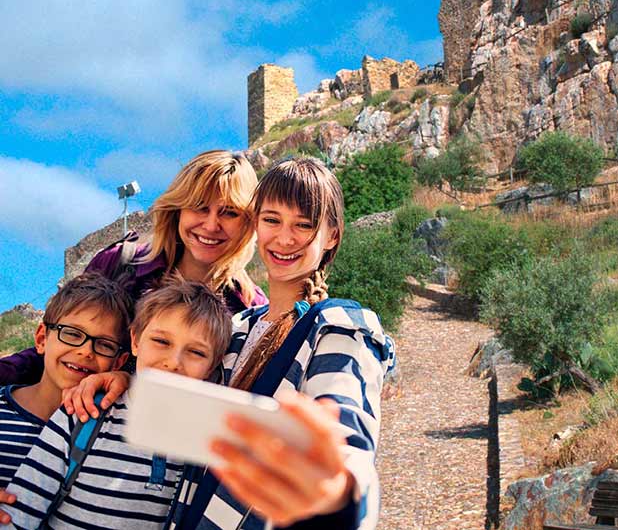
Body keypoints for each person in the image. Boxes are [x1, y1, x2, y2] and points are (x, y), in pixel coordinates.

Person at [65, 157, 394, 530]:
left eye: (303, 225)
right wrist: (127, 380)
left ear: (332, 235)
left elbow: (348, 439)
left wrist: (337, 492)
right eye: (272, 220)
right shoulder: (237, 327)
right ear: (255, 225)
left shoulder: (341, 327)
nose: (284, 238)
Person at [0, 150, 265, 387]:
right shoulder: (119, 265)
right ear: (177, 210)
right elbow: (58, 344)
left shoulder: (252, 311)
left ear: (248, 223)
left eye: (229, 213)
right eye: (199, 207)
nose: (211, 225)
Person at [4, 278, 232, 530]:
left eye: (196, 352)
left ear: (212, 365)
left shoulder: (203, 442)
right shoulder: (83, 413)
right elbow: (18, 513)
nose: (174, 361)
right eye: (162, 342)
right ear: (135, 341)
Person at [0, 273, 132, 490]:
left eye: (105, 345)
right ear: (42, 339)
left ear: (118, 362)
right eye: (71, 334)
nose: (86, 351)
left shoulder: (110, 433)